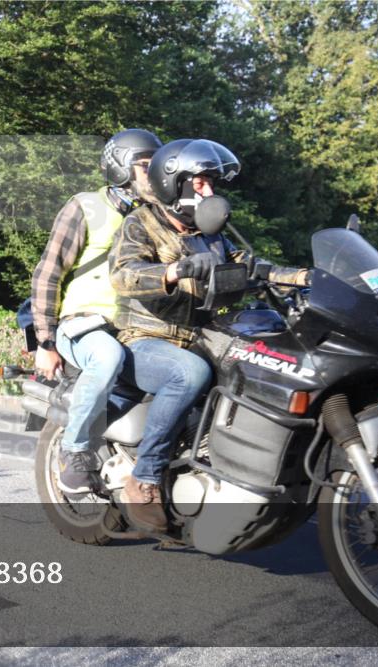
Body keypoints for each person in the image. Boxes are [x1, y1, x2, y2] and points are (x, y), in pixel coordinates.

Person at [109, 139, 310, 531]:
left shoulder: (212, 234)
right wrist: (175, 271)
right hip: (146, 338)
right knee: (189, 374)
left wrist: (303, 277)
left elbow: (253, 268)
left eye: (211, 184)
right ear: (174, 184)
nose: (209, 192)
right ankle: (145, 478)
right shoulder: (141, 223)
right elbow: (123, 274)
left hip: (201, 335)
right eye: (200, 184)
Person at [31, 128, 163, 494]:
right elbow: (48, 273)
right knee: (107, 357)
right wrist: (45, 341)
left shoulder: (159, 216)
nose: (155, 175)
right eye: (146, 166)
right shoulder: (86, 206)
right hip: (87, 323)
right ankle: (74, 451)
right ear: (121, 167)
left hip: (141, 326)